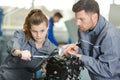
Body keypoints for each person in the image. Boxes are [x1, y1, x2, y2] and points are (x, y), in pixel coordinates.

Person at [62, 0, 120, 80]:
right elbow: (90, 53)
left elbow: (109, 71)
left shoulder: (110, 36)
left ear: (94, 17)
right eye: (77, 19)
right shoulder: (83, 28)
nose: (77, 23)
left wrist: (80, 58)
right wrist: (77, 50)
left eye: (81, 19)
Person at [0, 9, 57, 80]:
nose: (39, 35)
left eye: (42, 31)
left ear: (47, 27)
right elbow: (13, 46)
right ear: (30, 29)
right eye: (34, 31)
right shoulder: (21, 35)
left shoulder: (51, 49)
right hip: (5, 77)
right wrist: (19, 53)